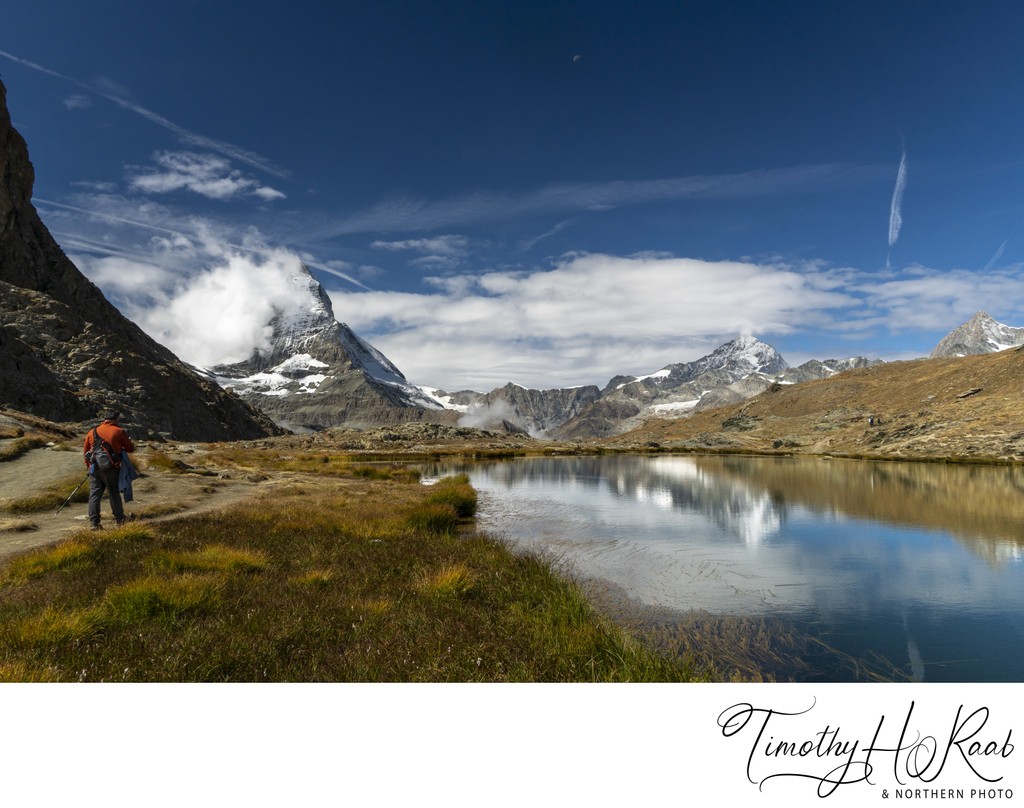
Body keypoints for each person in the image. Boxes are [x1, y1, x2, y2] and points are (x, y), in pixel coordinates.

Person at [83, 410, 135, 529]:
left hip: (95, 468)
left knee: (95, 494)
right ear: (116, 419)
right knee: (114, 493)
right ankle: (120, 519)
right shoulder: (119, 431)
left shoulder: (92, 431)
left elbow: (85, 451)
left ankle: (94, 523)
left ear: (105, 419)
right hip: (112, 468)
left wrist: (89, 466)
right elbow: (130, 448)